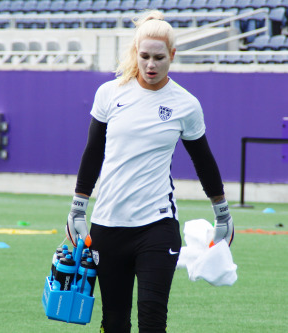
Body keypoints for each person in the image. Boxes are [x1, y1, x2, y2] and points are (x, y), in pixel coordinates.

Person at [65, 11, 234, 333]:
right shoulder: (109, 94)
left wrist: (223, 213)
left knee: (152, 319)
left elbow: (204, 161)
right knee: (114, 321)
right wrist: (77, 206)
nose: (151, 65)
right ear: (135, 53)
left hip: (157, 225)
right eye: (144, 56)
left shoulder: (185, 104)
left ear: (172, 55)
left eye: (159, 57)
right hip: (107, 224)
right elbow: (93, 153)